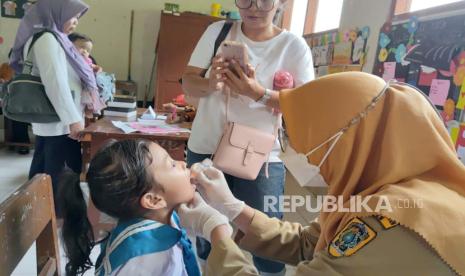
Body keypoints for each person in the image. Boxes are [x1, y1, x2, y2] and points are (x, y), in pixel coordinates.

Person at [179, 72, 465, 275]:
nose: (306, 157)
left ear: (350, 142)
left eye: (311, 145)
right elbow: (310, 242)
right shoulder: (377, 190)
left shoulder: (395, 223)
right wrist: (233, 208)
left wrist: (216, 231)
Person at [182, 0, 314, 274]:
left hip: (262, 155)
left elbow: (304, 105)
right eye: (245, 0)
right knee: (207, 221)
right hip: (206, 146)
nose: (254, 8)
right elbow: (188, 80)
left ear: (281, 3)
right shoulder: (218, 31)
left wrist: (257, 92)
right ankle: (209, 268)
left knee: (266, 230)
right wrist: (209, 82)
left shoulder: (293, 45)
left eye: (265, 1)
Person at [60, 139, 229, 275]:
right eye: (171, 164)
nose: (183, 163)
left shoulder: (167, 216)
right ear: (154, 200)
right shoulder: (143, 258)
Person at [9, 0, 105, 214]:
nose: (75, 22)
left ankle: (41, 214)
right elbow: (56, 83)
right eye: (73, 16)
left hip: (57, 120)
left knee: (45, 169)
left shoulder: (55, 39)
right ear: (56, 12)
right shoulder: (47, 40)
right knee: (59, 174)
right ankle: (55, 219)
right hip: (60, 121)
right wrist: (73, 118)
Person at [0, 50, 31, 154]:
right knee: (15, 112)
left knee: (19, 113)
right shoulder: (6, 67)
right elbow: (2, 83)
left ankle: (22, 143)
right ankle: (17, 142)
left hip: (29, 101)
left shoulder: (32, 67)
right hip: (11, 100)